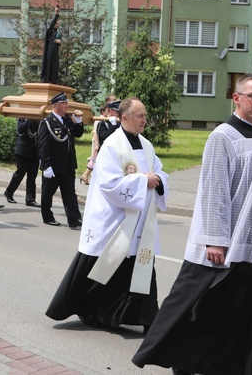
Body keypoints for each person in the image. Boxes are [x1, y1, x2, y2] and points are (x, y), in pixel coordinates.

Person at [133, 73, 252, 375]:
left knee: (240, 310)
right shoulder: (223, 136)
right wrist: (215, 238)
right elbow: (214, 189)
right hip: (225, 243)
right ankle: (184, 361)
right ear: (236, 98)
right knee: (200, 307)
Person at [46, 97, 168, 331]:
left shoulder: (146, 144)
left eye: (145, 115)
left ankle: (145, 317)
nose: (145, 120)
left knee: (139, 266)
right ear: (124, 118)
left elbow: (159, 172)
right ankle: (90, 309)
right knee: (105, 267)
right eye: (140, 115)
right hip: (116, 219)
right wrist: (144, 180)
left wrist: (159, 181)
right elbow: (110, 184)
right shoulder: (112, 146)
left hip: (140, 221)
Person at [38, 91, 84, 228]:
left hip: (68, 164)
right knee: (48, 193)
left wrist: (79, 122)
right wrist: (46, 165)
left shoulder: (67, 120)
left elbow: (78, 134)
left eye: (66, 103)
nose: (67, 106)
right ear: (56, 105)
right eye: (64, 103)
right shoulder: (47, 123)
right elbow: (43, 145)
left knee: (70, 193)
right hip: (53, 165)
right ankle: (47, 216)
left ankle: (74, 219)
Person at [3, 118, 40, 207]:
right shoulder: (22, 118)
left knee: (32, 176)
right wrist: (28, 120)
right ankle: (9, 192)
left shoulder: (40, 120)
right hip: (23, 150)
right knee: (20, 173)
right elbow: (20, 130)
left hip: (34, 152)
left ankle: (30, 199)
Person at [40, 6, 61, 84]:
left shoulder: (57, 33)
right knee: (49, 64)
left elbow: (58, 42)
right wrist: (56, 15)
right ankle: (47, 79)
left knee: (55, 65)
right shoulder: (49, 31)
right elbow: (52, 25)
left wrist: (59, 42)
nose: (57, 24)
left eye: (58, 23)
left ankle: (53, 80)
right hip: (50, 51)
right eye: (56, 23)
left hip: (55, 52)